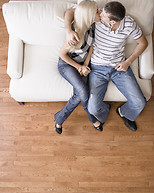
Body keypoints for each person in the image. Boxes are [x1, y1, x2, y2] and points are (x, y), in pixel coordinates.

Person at [65, 1, 148, 132]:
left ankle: (124, 112)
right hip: (97, 68)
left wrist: (128, 62)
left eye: (103, 14)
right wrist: (68, 30)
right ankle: (105, 110)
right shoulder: (97, 18)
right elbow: (70, 11)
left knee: (140, 103)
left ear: (112, 21)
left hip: (119, 67)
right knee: (93, 108)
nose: (99, 14)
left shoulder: (129, 24)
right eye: (101, 11)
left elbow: (143, 43)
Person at [54, 0, 104, 134]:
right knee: (84, 91)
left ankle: (59, 119)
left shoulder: (93, 25)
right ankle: (92, 119)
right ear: (89, 15)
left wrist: (86, 64)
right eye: (97, 11)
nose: (100, 13)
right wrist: (79, 67)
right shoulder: (75, 34)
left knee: (79, 95)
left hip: (82, 65)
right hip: (68, 64)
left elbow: (91, 47)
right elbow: (62, 55)